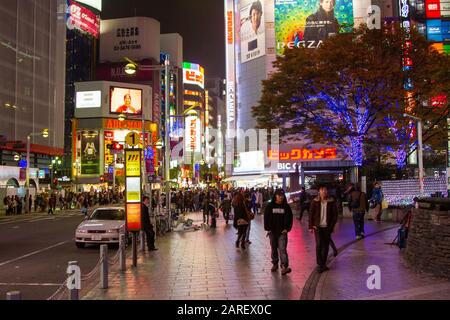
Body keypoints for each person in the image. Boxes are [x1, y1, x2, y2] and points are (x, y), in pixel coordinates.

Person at [264, 189, 294, 275]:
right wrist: (268, 229)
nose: (280, 197)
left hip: (282, 232)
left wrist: (287, 229)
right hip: (272, 232)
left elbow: (290, 218)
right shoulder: (270, 206)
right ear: (275, 196)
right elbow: (266, 218)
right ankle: (275, 263)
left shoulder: (286, 207)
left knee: (282, 249)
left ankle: (284, 266)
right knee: (274, 249)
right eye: (279, 195)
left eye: (282, 195)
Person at [309, 186, 338, 273]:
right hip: (317, 227)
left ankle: (323, 264)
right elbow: (311, 213)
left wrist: (332, 226)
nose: (324, 192)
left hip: (327, 227)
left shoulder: (331, 201)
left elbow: (334, 215)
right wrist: (311, 226)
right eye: (322, 190)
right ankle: (319, 264)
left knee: (325, 245)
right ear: (319, 192)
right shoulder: (315, 201)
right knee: (319, 244)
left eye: (325, 190)